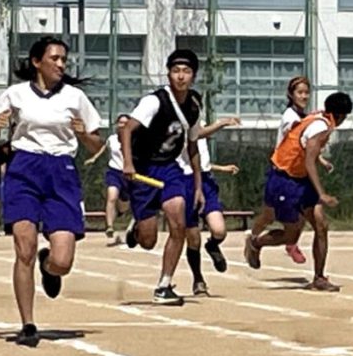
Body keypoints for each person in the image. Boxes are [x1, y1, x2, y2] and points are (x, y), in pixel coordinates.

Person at [0, 36, 103, 347]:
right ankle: (28, 324)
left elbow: (97, 146)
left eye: (64, 59)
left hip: (61, 172)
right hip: (24, 169)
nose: (61, 64)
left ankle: (48, 266)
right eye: (55, 58)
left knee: (63, 261)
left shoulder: (75, 97)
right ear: (37, 62)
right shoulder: (16, 94)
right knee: (24, 248)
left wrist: (84, 135)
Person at [244, 92, 353, 292]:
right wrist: (322, 193)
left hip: (300, 178)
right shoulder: (321, 127)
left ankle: (319, 277)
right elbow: (309, 160)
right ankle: (256, 243)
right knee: (290, 236)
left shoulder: (320, 118)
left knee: (321, 225)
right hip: (284, 178)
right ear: (341, 116)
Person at [120, 49, 204, 305]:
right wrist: (128, 163)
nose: (181, 76)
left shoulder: (194, 105)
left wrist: (198, 185)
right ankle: (137, 228)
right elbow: (127, 130)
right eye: (176, 71)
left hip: (169, 168)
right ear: (168, 74)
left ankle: (164, 285)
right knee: (148, 241)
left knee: (178, 221)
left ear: (193, 76)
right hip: (143, 169)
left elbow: (193, 146)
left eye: (186, 71)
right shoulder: (154, 102)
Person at [249, 76, 334, 265]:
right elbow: (298, 143)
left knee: (313, 220)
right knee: (269, 215)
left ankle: (292, 244)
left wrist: (320, 159)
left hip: (300, 176)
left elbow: (307, 147)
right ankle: (255, 239)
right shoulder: (291, 117)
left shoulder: (304, 117)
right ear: (291, 94)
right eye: (299, 92)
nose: (304, 96)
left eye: (306, 92)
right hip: (283, 175)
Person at [182, 119, 240, 296]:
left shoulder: (199, 121)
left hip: (206, 180)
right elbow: (197, 134)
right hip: (184, 180)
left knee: (219, 230)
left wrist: (221, 168)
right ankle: (198, 279)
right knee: (193, 238)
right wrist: (221, 123)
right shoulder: (177, 123)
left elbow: (202, 160)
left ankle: (213, 245)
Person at [84, 114, 134, 247]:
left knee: (124, 204)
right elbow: (102, 149)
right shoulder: (112, 139)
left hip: (128, 174)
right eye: (120, 123)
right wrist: (94, 158)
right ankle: (110, 226)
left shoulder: (134, 139)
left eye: (125, 123)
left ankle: (121, 212)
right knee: (111, 197)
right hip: (114, 172)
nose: (122, 125)